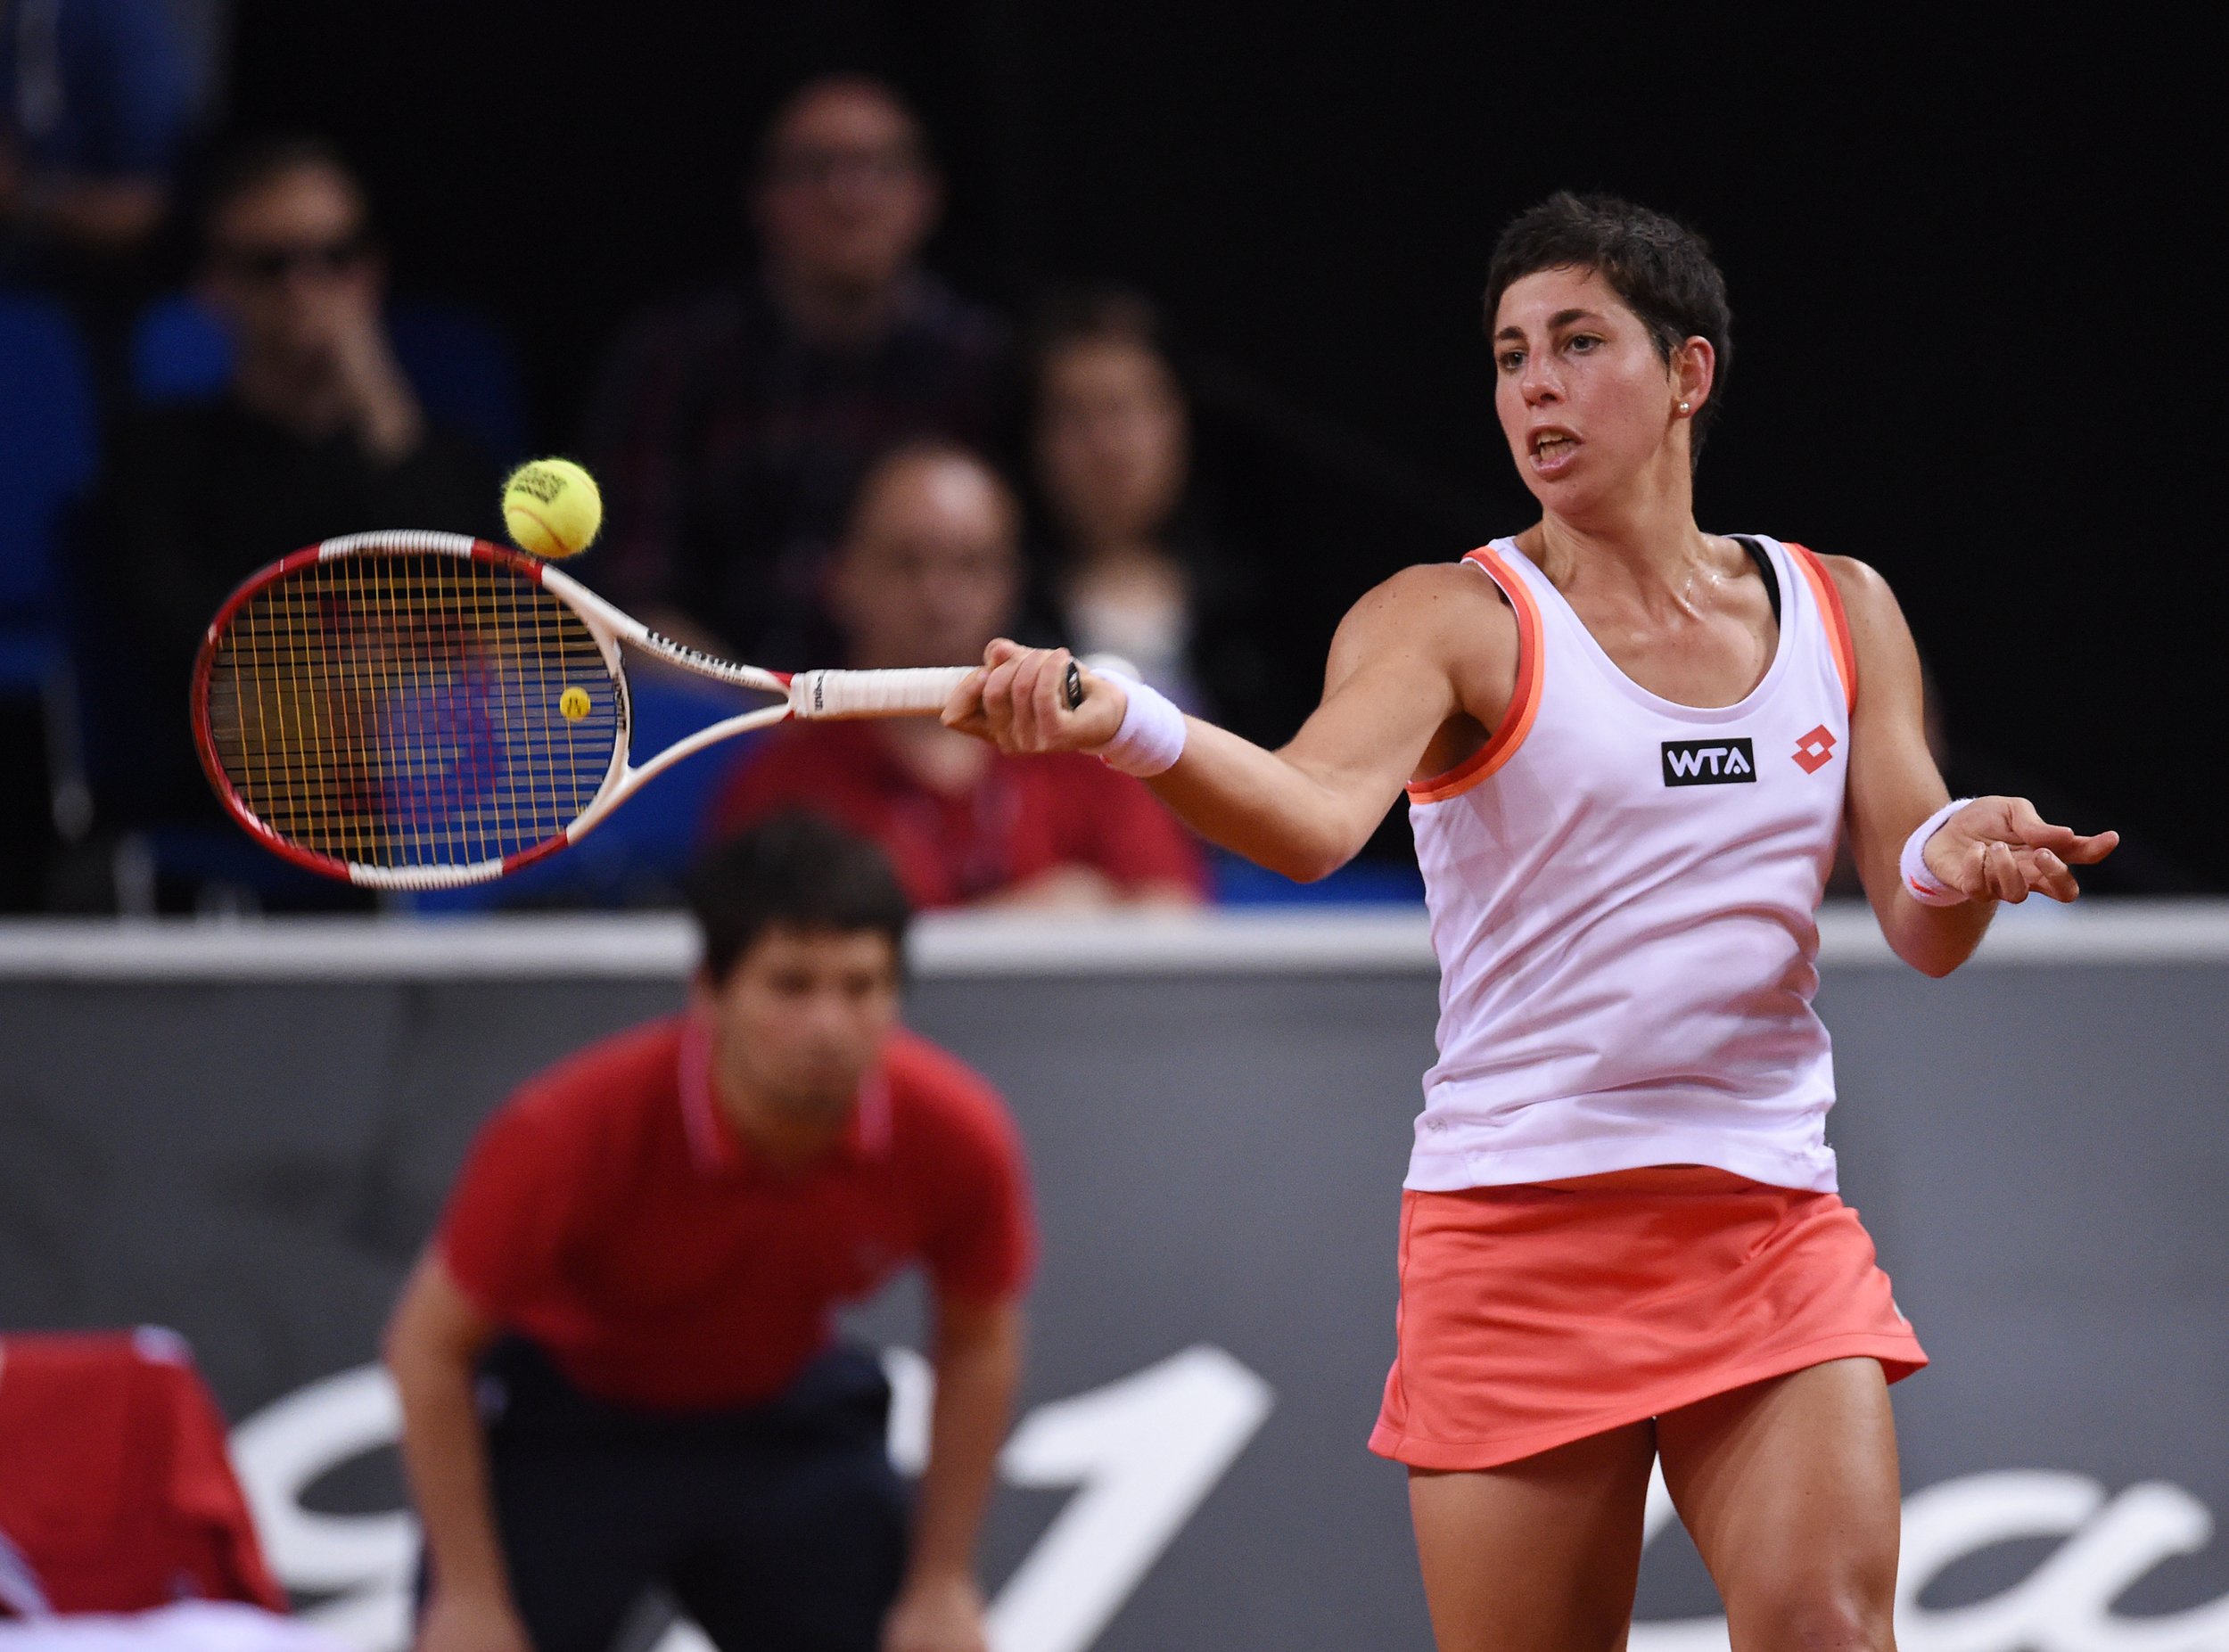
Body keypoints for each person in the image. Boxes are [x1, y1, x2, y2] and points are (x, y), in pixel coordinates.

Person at [947, 191, 2118, 1651]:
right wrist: (1124, 719)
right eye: (1510, 356)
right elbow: (1311, 816)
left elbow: (1917, 902)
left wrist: (1964, 857)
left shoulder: (1842, 607)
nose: (1535, 388)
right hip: (1517, 1237)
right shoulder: (1450, 619)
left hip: (1762, 1217)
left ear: (1688, 373)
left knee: (1828, 1623)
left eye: (1577, 343)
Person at [385, 815, 1033, 1652]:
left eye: (862, 985)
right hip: (573, 1426)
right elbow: (428, 1347)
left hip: (784, 1420)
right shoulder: (567, 1130)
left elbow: (979, 1343)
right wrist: (468, 1596)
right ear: (710, 991)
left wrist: (942, 1581)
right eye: (791, 985)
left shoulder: (956, 1131)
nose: (829, 1023)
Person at [93, 136, 498, 826]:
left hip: (443, 794)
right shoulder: (159, 458)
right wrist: (368, 668)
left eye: (335, 257)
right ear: (213, 287)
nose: (306, 288)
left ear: (372, 271)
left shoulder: (438, 455)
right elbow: (194, 651)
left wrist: (383, 412)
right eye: (271, 265)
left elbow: (482, 626)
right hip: (253, 791)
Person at [582, 73, 1009, 670]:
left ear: (927, 195)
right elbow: (630, 597)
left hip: (935, 702)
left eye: (879, 168)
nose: (848, 197)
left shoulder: (983, 363)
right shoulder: (677, 358)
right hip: (722, 706)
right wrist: (767, 706)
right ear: (762, 198)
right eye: (816, 169)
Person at [708, 440, 1206, 911]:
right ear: (842, 576)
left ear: (1011, 582)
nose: (939, 597)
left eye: (971, 565)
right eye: (906, 563)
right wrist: (1030, 921)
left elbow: (1178, 920)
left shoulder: (1088, 753)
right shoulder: (781, 783)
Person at [1024, 286, 1270, 735]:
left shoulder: (1255, 606)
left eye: (1124, 411)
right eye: (1075, 417)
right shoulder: (1006, 609)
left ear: (1177, 421)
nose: (1106, 448)